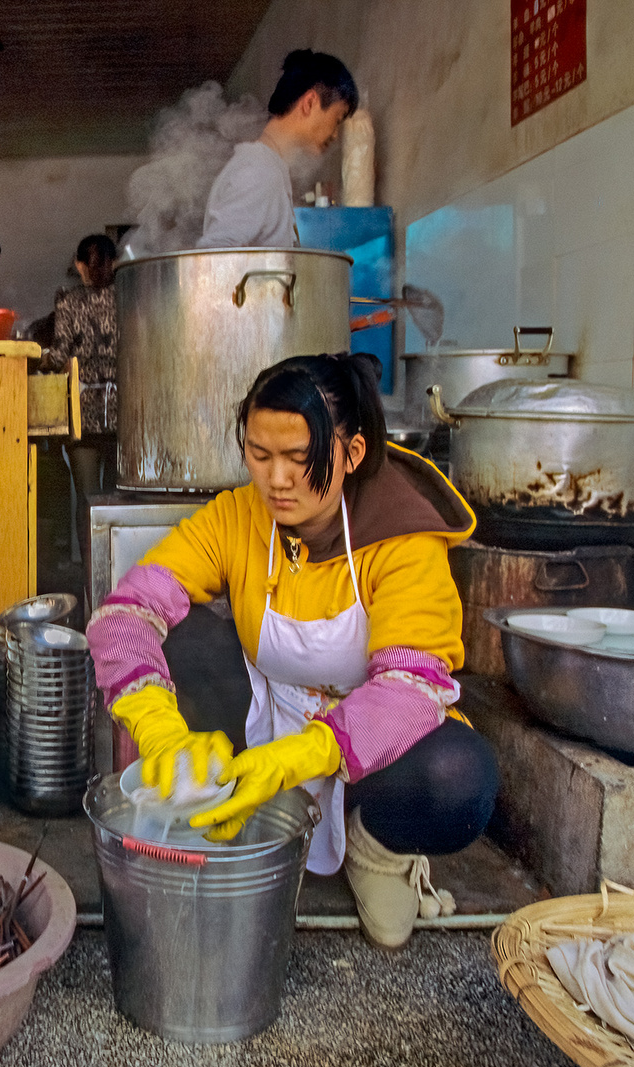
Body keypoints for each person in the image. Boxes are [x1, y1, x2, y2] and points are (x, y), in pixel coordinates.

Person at [88, 353, 499, 949]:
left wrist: (296, 759)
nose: (275, 480)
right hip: (268, 717)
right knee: (185, 635)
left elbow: (412, 687)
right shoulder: (236, 518)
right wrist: (163, 734)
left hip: (370, 752)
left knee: (460, 775)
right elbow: (124, 615)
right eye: (259, 455)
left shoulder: (404, 541)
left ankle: (377, 847)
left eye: (299, 460)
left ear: (352, 454)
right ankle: (214, 801)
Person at [197, 49, 358, 248]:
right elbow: (215, 256)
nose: (335, 135)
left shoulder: (267, 167)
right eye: (337, 119)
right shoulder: (259, 171)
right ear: (309, 103)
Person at [43, 234, 120, 507]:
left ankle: (89, 552)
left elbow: (60, 353)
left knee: (88, 500)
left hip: (83, 413)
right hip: (122, 415)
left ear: (79, 265)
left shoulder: (69, 301)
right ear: (116, 262)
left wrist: (41, 361)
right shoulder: (129, 297)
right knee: (118, 499)